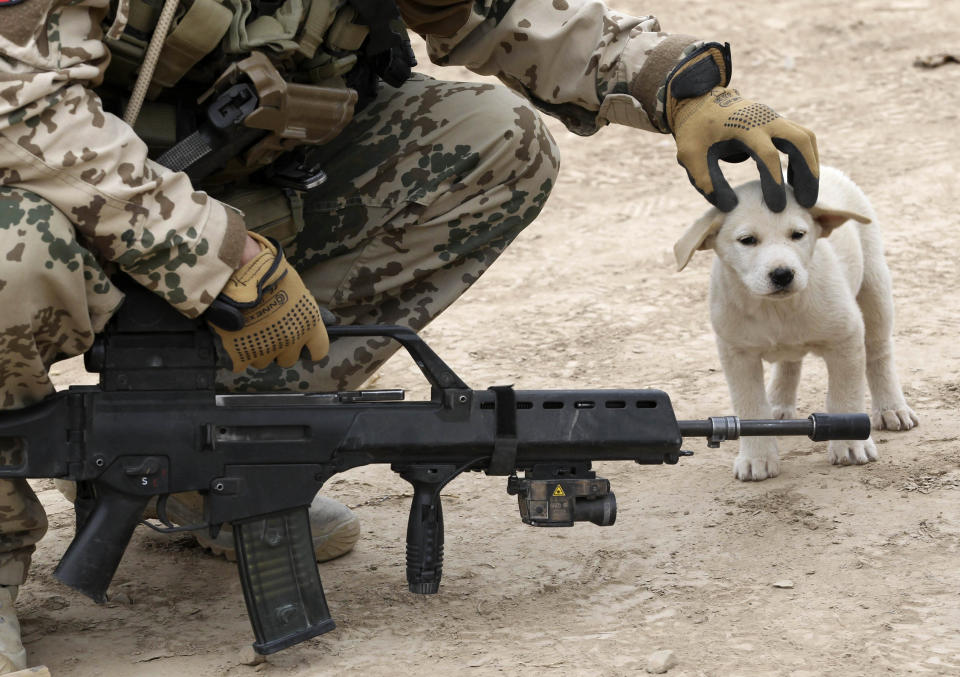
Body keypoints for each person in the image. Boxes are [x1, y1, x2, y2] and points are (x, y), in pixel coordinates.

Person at [0, 0, 820, 670]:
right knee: (9, 252)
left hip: (234, 181)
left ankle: (210, 463)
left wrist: (673, 81)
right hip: (63, 193)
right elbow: (27, 111)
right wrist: (223, 259)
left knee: (496, 139)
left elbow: (501, 13)